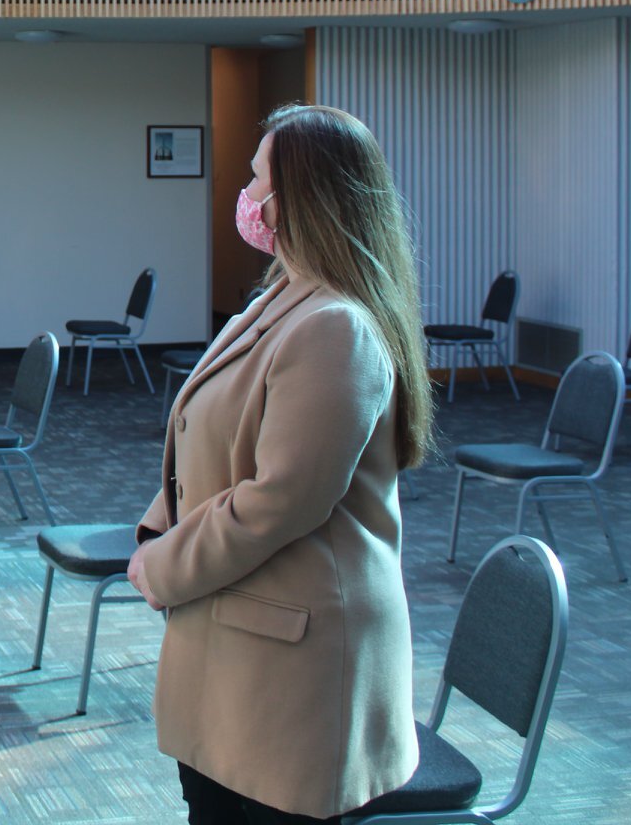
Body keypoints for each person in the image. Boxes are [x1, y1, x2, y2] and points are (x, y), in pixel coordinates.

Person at [126, 104, 433, 824]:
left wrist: (166, 565)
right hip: (234, 651)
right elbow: (198, 441)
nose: (247, 195)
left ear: (303, 197)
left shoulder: (337, 328)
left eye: (258, 179)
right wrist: (154, 532)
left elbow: (281, 500)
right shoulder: (281, 297)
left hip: (295, 674)